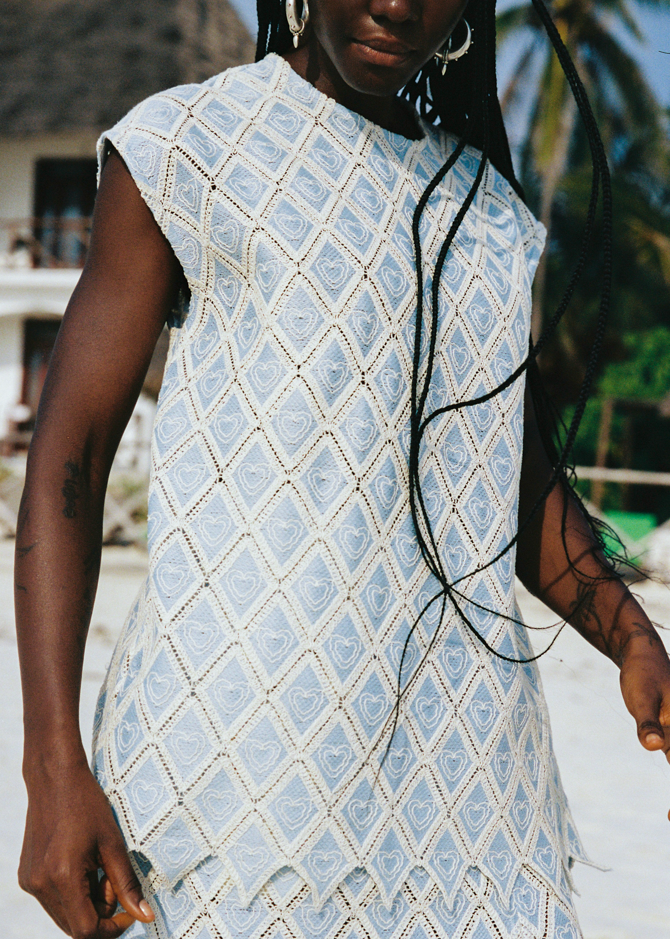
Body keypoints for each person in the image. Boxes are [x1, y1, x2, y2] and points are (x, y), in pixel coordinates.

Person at [14, 1, 670, 937]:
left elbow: (508, 484)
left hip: (471, 795)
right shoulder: (192, 145)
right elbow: (70, 450)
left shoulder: (488, 215)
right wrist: (51, 769)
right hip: (241, 796)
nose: (397, 2)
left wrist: (632, 637)